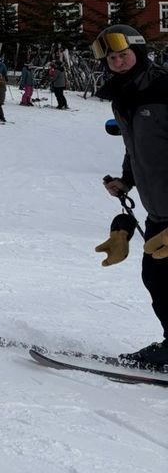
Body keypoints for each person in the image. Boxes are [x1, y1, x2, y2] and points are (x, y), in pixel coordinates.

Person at [93, 25, 168, 367]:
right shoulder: (123, 96)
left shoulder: (163, 87)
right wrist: (126, 181)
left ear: (139, 53)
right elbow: (134, 145)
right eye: (112, 58)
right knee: (157, 279)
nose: (119, 63)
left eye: (124, 55)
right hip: (159, 210)